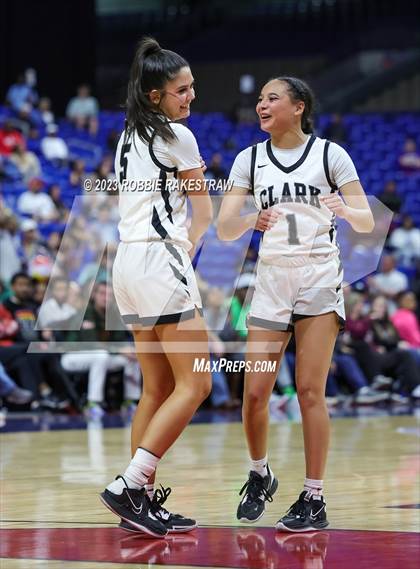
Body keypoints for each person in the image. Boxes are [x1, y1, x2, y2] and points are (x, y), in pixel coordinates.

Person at [218, 76, 375, 532]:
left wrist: (345, 211)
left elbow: (367, 219)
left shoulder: (330, 155)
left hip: (319, 277)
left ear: (298, 106)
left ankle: (314, 497)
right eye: (261, 99)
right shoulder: (248, 159)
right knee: (254, 395)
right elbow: (226, 229)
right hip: (271, 281)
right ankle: (260, 472)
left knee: (309, 391)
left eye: (272, 98)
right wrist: (252, 217)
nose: (261, 105)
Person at [99, 37, 213, 538]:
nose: (190, 97)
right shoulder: (177, 137)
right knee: (198, 383)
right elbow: (203, 211)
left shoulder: (128, 134)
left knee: (158, 387)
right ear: (154, 96)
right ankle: (132, 483)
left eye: (191, 88)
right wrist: (189, 252)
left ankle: (138, 501)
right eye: (181, 91)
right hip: (158, 259)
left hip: (127, 261)